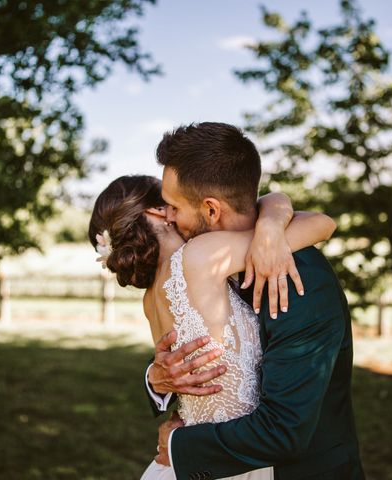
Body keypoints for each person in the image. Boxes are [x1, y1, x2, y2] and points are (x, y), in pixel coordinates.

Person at [146, 122, 365, 480]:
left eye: (173, 206)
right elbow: (206, 347)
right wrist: (156, 378)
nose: (166, 216)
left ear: (212, 210)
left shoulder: (304, 282)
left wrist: (179, 447)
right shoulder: (209, 262)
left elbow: (284, 430)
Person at [88, 173, 337, 480]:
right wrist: (269, 229)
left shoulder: (150, 299)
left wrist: (273, 207)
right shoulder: (203, 256)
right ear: (158, 212)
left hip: (189, 460)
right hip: (238, 459)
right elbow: (322, 224)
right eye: (173, 205)